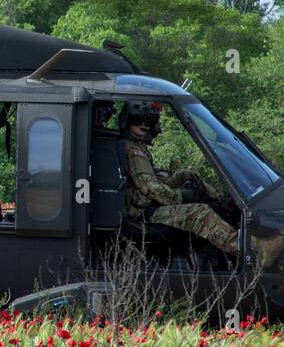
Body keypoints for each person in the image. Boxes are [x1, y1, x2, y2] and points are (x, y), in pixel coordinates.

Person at [120, 100, 283, 267]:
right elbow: (153, 190)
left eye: (149, 122)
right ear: (127, 121)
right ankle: (253, 252)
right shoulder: (133, 151)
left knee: (189, 176)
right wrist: (182, 196)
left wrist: (183, 179)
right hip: (141, 213)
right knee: (200, 213)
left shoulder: (135, 146)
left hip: (144, 206)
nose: (144, 126)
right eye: (138, 121)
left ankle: (220, 201)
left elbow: (151, 182)